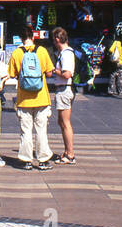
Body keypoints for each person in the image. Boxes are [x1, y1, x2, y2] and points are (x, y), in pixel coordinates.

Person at [7, 28, 55, 171]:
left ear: (21, 38)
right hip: (41, 97)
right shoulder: (42, 51)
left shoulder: (16, 53)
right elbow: (50, 73)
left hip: (23, 99)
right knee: (41, 130)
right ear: (33, 37)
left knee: (25, 130)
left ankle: (26, 160)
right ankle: (43, 160)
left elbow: (12, 74)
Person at [51, 27, 77, 163]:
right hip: (63, 89)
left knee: (65, 122)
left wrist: (55, 71)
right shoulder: (66, 53)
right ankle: (67, 151)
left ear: (57, 40)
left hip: (64, 89)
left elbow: (67, 74)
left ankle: (70, 154)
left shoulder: (66, 54)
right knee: (61, 121)